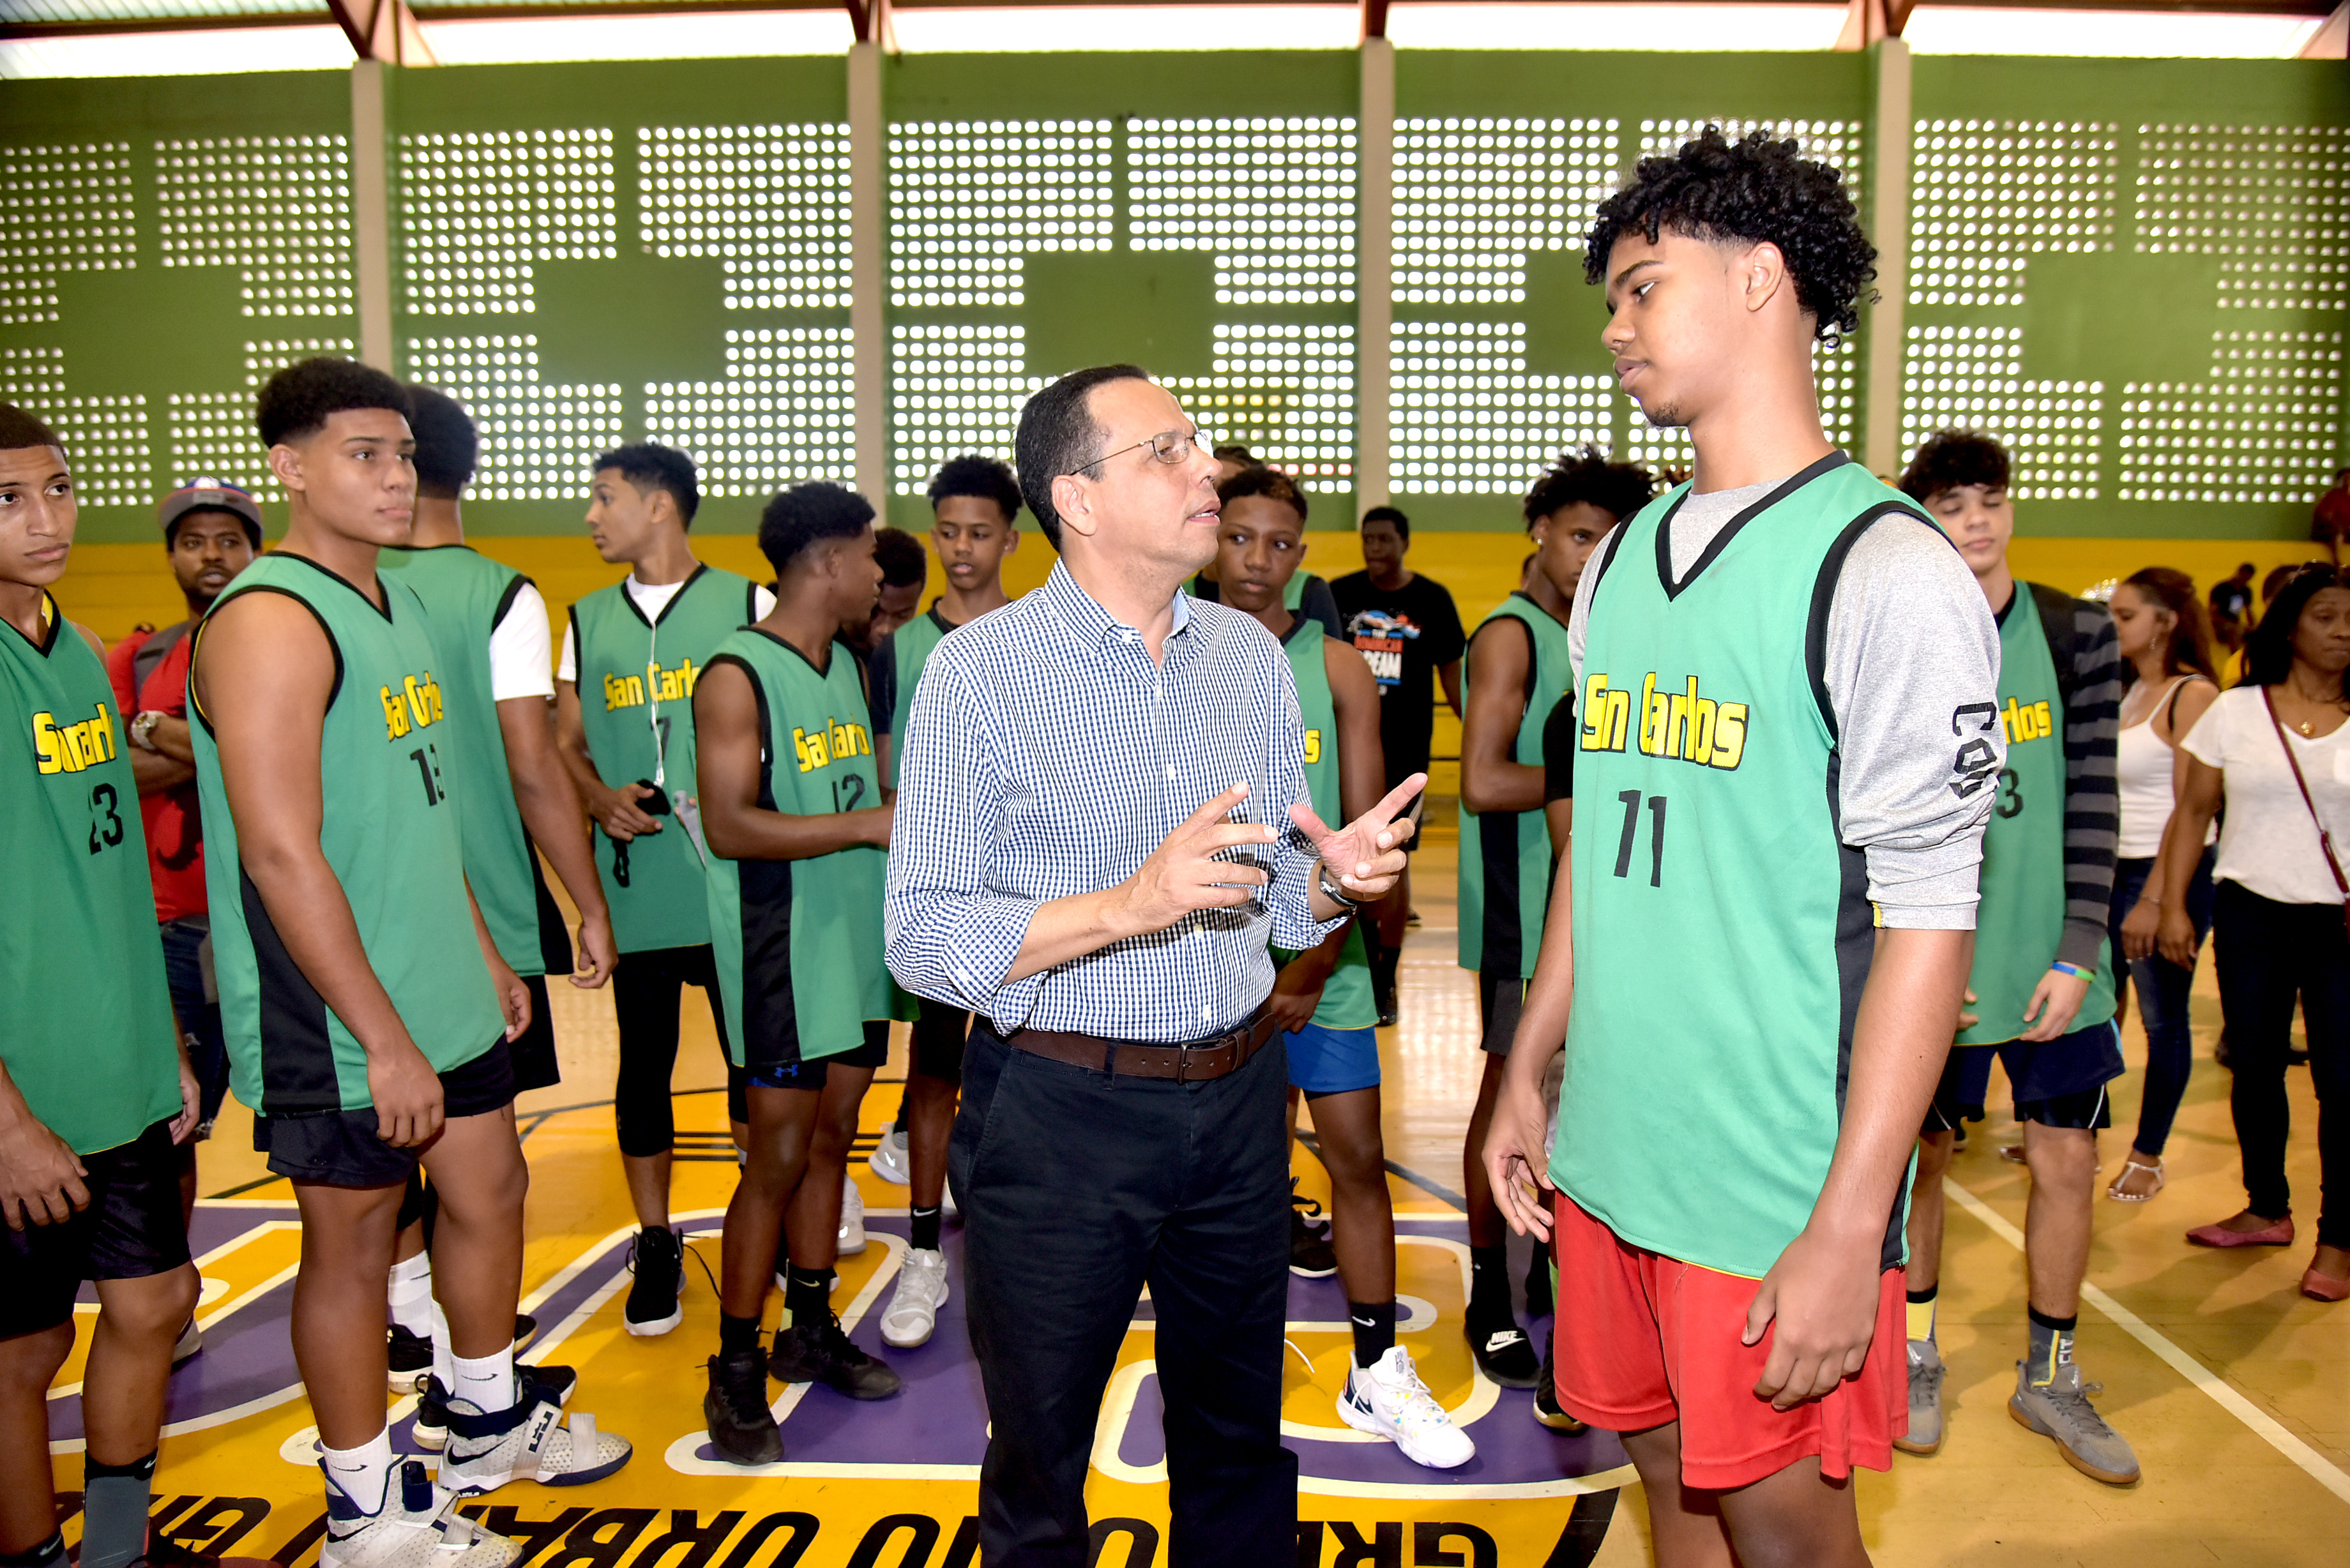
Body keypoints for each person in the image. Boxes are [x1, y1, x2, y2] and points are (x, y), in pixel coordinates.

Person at [1485, 129, 2000, 1567]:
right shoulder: (1619, 562)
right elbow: (1604, 851)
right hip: (1613, 1148)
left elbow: (1926, 922)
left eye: (1643, 287)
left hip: (1769, 1178)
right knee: (1669, 1493)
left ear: (1760, 277)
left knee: (1787, 1541)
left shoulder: (1883, 567)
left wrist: (1850, 1224)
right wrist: (1530, 1066)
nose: (1614, 327)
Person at [886, 364, 1421, 1566]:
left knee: (1238, 1447)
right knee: (1039, 1461)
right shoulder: (979, 675)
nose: (1207, 473)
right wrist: (1128, 904)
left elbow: (1275, 895)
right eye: (1167, 452)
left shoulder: (1247, 658)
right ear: (1077, 497)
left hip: (1236, 1102)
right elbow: (921, 933)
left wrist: (1333, 880)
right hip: (1060, 1113)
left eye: (1201, 445)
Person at [189, 359, 630, 1562]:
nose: (395, 479)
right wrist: (381, 1035)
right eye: (362, 456)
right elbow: (282, 855)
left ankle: (483, 1417)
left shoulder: (387, 604)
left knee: (489, 1193)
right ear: (291, 467)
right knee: (352, 1241)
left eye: (401, 456)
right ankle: (366, 1511)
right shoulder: (273, 619)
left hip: (443, 976)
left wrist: (486, 948)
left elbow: (419, 810)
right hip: (338, 1012)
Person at [1211, 464, 1473, 1468]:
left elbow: (1369, 840)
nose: (1258, 560)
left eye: (1279, 543)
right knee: (1238, 1184)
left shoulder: (1336, 666)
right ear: (1211, 537)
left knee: (1355, 1163)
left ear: (1300, 555)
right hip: (1205, 964)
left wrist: (1313, 965)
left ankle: (1375, 1368)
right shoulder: (1165, 656)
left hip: (1323, 963)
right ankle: (1233, 1365)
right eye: (1240, 538)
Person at [1, 405, 220, 1568]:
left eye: (58, 489)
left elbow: (117, 867)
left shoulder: (80, 655)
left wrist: (167, 1046)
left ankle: (116, 1549)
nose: (46, 519)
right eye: (9, 499)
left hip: (120, 1061)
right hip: (21, 1094)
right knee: (22, 1354)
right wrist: (7, 1123)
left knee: (154, 1302)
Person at [1895, 428, 2134, 1484]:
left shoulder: (2077, 631)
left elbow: (2094, 800)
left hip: (2051, 956)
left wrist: (2081, 949)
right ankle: (1913, 1354)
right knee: (1926, 1156)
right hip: (1936, 959)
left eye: (1991, 498)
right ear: (1924, 524)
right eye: (1953, 504)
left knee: (2068, 1159)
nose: (1979, 520)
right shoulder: (1900, 635)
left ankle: (2052, 1374)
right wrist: (1906, 960)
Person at [378, 386, 618, 1391]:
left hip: (362, 916)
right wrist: (586, 899)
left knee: (377, 1151)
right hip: (480, 923)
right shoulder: (498, 593)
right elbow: (532, 764)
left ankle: (404, 1316)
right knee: (481, 1167)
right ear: (468, 470)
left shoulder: (330, 586)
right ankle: (472, 1370)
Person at [695, 482, 903, 1464]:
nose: (878, 573)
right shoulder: (737, 672)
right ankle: (734, 1370)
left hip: (854, 945)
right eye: (868, 555)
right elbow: (732, 824)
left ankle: (808, 1331)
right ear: (825, 561)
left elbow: (854, 792)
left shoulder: (849, 666)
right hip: (781, 950)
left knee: (832, 1143)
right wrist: (870, 823)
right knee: (773, 1163)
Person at [553, 444, 771, 1336]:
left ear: (660, 507)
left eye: (605, 498)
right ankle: (654, 1240)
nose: (591, 516)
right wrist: (599, 797)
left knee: (752, 1071)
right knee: (641, 1072)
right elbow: (562, 743)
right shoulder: (584, 618)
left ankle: (768, 1219)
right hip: (637, 887)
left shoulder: (745, 602)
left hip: (727, 883)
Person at [1455, 445, 1653, 1387]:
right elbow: (1486, 779)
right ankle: (1489, 1290)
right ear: (1540, 531)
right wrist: (1596, 774)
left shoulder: (1609, 633)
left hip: (1594, 916)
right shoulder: (1513, 634)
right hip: (1520, 910)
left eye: (1610, 540)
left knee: (1575, 1104)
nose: (1591, 555)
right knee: (1508, 1093)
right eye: (1578, 536)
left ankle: (1551, 1273)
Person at [2157, 563, 2350, 1302]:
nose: (2341, 631)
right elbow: (2193, 813)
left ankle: (2337, 1239)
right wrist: (2172, 904)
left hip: (2337, 919)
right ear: (2290, 625)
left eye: (2348, 619)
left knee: (2341, 1081)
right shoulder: (2236, 711)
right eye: (2326, 616)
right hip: (2249, 912)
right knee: (2255, 1063)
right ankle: (2266, 1205)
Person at [867, 455, 1022, 1347]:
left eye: (978, 533)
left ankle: (1017, 1242)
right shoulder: (901, 648)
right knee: (933, 1074)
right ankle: (923, 1249)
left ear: (1010, 538)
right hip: (949, 897)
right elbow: (895, 778)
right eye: (948, 532)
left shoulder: (1048, 635)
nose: (962, 550)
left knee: (1025, 1079)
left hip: (1038, 903)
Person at [107, 479, 260, 1265]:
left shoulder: (275, 640)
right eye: (194, 540)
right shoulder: (136, 656)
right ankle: (169, 1284)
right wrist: (190, 740)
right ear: (171, 554)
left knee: (305, 1112)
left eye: (228, 540)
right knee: (174, 1119)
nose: (211, 555)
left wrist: (163, 732)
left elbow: (269, 762)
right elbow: (109, 775)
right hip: (170, 921)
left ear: (255, 550)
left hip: (266, 918)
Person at [2106, 568, 2220, 1202]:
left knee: (2162, 1021)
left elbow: (2190, 807)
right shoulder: (2125, 690)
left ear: (2165, 622)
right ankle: (2075, 1126)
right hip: (2112, 870)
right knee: (2097, 1009)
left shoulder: (2192, 695)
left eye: (2125, 615)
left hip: (2166, 871)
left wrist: (2157, 898)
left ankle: (2147, 1155)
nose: (2112, 625)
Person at [1330, 504, 1465, 1021]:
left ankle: (1384, 980)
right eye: (1368, 539)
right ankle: (1348, 968)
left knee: (1389, 863)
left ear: (1404, 542)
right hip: (1346, 752)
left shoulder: (1431, 599)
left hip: (1405, 761)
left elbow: (1455, 678)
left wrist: (1478, 733)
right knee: (1344, 862)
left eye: (1385, 539)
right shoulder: (1339, 594)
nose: (1375, 548)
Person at [2312, 466, 2347, 566]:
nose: (2348, 482)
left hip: (2346, 530)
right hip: (2329, 530)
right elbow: (2327, 516)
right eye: (2345, 479)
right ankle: (2336, 559)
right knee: (2338, 530)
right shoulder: (2333, 495)